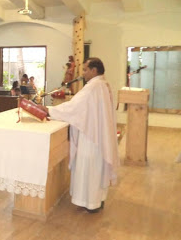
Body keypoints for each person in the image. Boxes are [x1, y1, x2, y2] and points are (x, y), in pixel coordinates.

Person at [37, 58, 119, 213]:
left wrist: (49, 110)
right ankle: (98, 200)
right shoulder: (104, 84)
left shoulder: (93, 87)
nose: (83, 73)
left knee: (89, 168)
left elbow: (74, 107)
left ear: (94, 70)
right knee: (97, 169)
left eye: (86, 69)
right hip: (100, 134)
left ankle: (90, 202)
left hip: (91, 136)